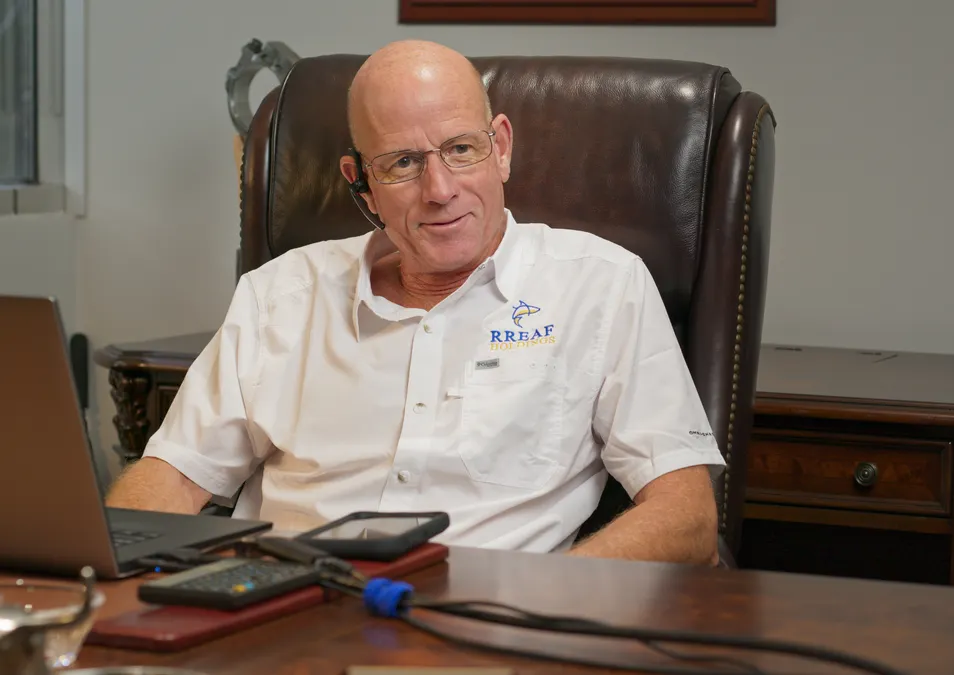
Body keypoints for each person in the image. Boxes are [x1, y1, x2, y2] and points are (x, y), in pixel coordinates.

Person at [104, 40, 726, 566]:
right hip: (285, 620)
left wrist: (552, 600)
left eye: (461, 148)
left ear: (501, 146)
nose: (440, 190)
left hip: (486, 629)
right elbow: (173, 477)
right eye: (403, 163)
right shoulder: (281, 295)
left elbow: (687, 514)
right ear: (361, 183)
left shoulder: (600, 285)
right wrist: (95, 575)